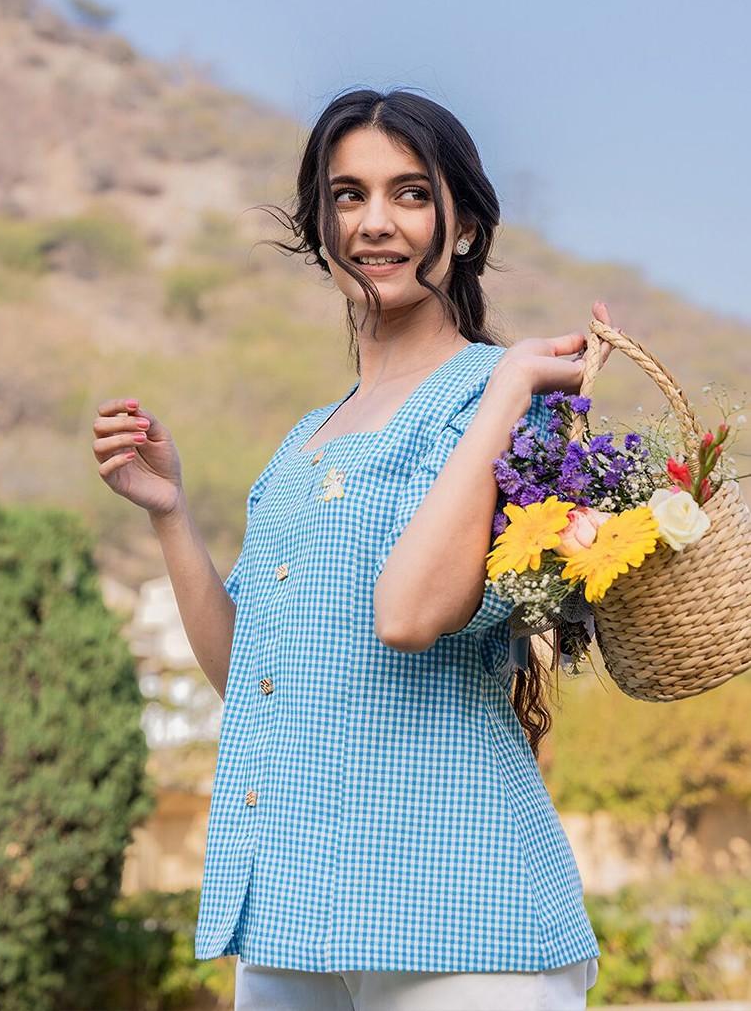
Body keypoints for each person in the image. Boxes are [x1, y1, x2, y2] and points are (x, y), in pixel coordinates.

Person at [93, 88, 619, 1010]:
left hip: (463, 916)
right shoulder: (305, 439)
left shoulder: (517, 409)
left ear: (463, 227)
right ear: (321, 227)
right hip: (295, 913)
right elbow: (252, 674)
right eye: (348, 195)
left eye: (411, 194)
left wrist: (504, 390)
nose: (376, 221)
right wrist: (170, 514)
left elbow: (408, 616)